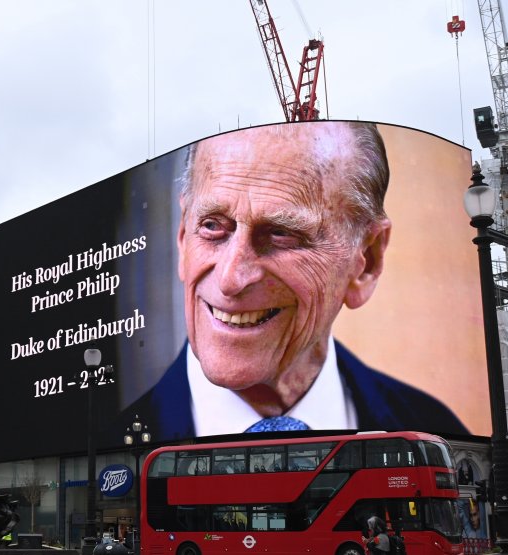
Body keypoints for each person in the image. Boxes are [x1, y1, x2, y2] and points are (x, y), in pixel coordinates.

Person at [124, 122, 467, 439]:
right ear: (183, 236)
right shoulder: (111, 450)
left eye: (281, 234)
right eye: (212, 226)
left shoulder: (437, 432)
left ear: (367, 260)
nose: (230, 278)